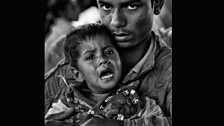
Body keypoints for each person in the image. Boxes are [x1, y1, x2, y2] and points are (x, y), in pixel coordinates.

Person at [45, 0, 172, 125]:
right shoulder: (70, 49)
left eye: (131, 6)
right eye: (106, 6)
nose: (116, 21)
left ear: (157, 4)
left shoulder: (167, 72)